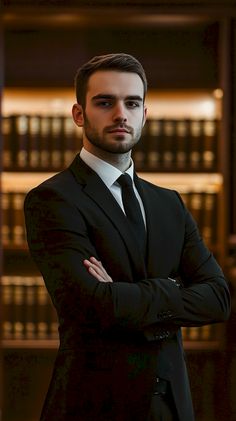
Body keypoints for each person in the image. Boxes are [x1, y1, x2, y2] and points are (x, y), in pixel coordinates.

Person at [24, 53, 231, 421]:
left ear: (144, 115)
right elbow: (89, 304)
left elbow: (217, 298)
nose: (121, 113)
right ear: (79, 114)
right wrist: (172, 289)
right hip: (94, 405)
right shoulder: (52, 199)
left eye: (132, 103)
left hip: (172, 404)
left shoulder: (169, 203)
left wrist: (122, 293)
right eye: (105, 102)